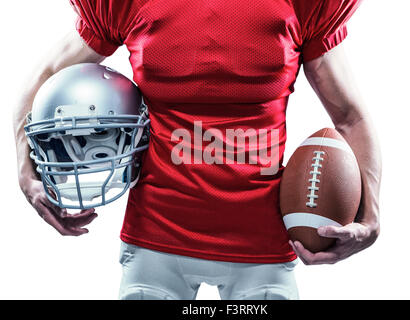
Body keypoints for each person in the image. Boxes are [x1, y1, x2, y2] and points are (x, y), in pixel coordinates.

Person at [13, 0, 381, 299]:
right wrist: (24, 169)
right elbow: (46, 79)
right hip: (155, 239)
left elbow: (350, 117)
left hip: (261, 247)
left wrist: (371, 218)